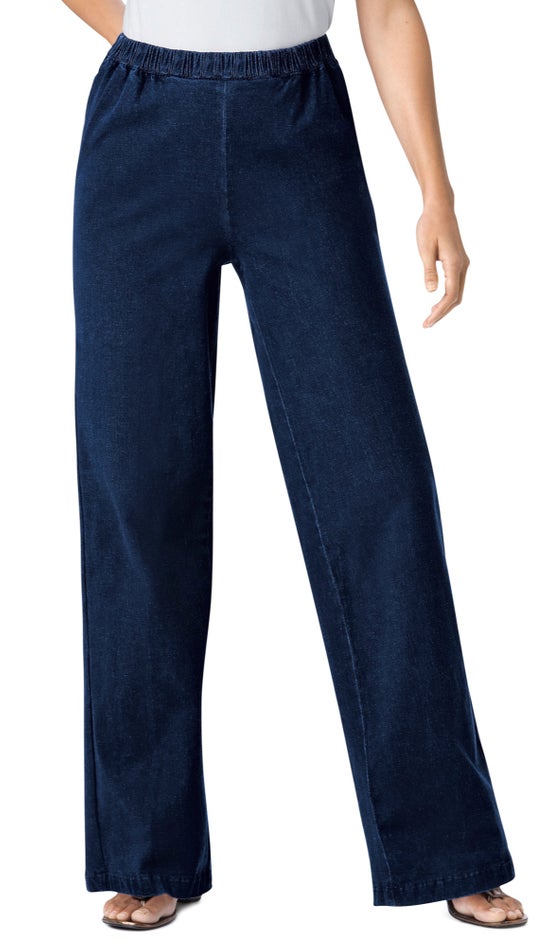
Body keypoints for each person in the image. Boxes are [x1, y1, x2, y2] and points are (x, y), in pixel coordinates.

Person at [62, 0, 527, 930]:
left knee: (379, 493)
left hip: (299, 122)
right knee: (137, 494)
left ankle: (448, 847)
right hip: (141, 128)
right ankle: (147, 851)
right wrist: (165, 49)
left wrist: (435, 190)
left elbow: (385, 8)